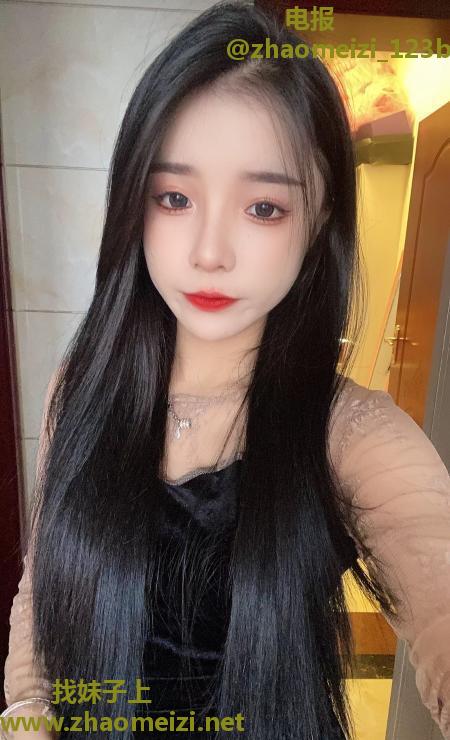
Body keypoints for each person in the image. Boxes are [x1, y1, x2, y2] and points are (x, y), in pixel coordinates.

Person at [2, 2, 450, 739]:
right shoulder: (82, 385)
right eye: (175, 198)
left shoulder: (354, 437)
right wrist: (25, 714)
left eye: (264, 208)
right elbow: (42, 585)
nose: (209, 252)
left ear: (320, 218)